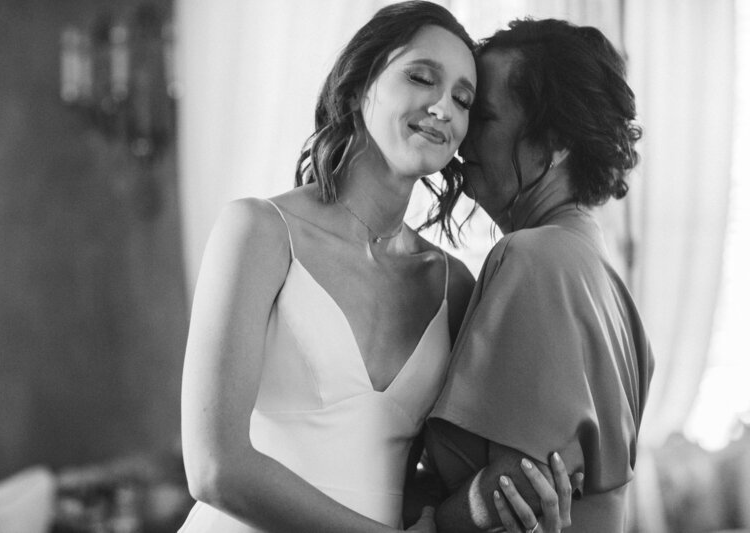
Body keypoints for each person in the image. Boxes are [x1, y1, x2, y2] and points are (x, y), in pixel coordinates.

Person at [177, 3, 573, 532]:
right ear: (360, 84)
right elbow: (214, 469)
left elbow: (442, 479)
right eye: (421, 78)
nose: (442, 108)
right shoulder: (259, 231)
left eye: (463, 99)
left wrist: (518, 507)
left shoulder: (454, 285)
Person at [424, 18, 655, 533]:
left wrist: (427, 519)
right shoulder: (601, 274)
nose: (461, 141)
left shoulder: (533, 257)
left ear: (552, 143)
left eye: (481, 117)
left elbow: (521, 485)